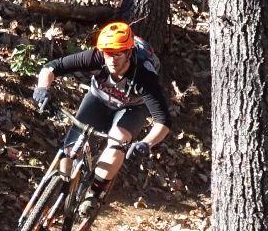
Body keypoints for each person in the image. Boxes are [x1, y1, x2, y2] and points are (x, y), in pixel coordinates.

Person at [31, 21, 172, 215]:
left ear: (129, 52)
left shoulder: (144, 77)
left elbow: (163, 121)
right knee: (71, 146)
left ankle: (94, 194)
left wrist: (146, 144)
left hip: (131, 109)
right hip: (98, 99)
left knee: (117, 143)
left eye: (118, 53)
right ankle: (61, 188)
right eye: (108, 53)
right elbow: (52, 67)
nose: (112, 59)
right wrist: (42, 89)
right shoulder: (96, 57)